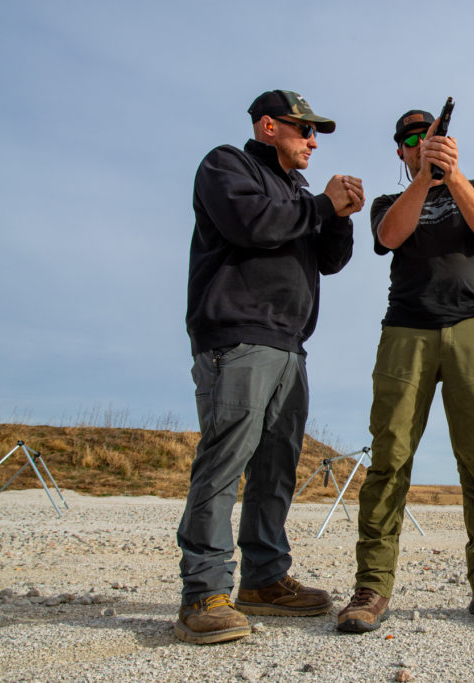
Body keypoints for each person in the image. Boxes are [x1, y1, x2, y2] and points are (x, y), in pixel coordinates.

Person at [175, 90, 364, 645]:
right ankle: (202, 594)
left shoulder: (300, 194)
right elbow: (251, 224)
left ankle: (263, 580)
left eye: (316, 133)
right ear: (267, 127)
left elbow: (328, 260)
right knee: (224, 460)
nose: (312, 141)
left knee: (275, 468)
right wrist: (323, 206)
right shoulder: (225, 165)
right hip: (236, 338)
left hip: (290, 345)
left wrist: (341, 216)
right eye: (303, 129)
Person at [336, 108, 474, 633]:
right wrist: (424, 179)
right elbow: (391, 237)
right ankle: (372, 586)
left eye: (432, 135)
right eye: (412, 140)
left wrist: (453, 176)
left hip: (473, 328)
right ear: (400, 151)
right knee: (389, 460)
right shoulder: (387, 202)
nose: (423, 143)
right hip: (407, 330)